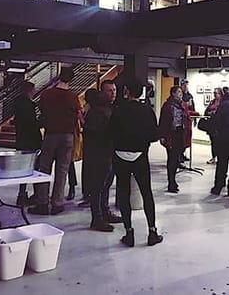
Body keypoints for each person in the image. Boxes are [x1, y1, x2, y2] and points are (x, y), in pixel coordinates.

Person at [110, 79, 162, 246]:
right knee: (146, 193)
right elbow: (154, 135)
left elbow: (110, 133)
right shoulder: (147, 111)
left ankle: (129, 233)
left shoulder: (118, 110)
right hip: (140, 155)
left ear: (126, 91)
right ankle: (152, 232)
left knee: (124, 193)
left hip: (120, 155)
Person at [33, 82, 80, 214]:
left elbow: (42, 111)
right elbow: (77, 113)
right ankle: (57, 203)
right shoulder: (72, 96)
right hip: (67, 135)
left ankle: (42, 202)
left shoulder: (47, 94)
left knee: (44, 169)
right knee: (62, 170)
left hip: (51, 134)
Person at [82, 83, 120, 231]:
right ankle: (96, 218)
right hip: (99, 153)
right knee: (98, 186)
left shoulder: (110, 108)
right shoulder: (96, 111)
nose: (113, 93)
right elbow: (93, 132)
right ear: (102, 92)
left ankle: (105, 212)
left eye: (114, 90)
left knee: (106, 184)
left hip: (110, 151)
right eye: (109, 91)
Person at [158, 84, 191, 193]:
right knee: (171, 159)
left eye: (181, 92)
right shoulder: (168, 106)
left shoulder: (183, 105)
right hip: (171, 135)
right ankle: (171, 182)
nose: (180, 94)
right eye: (178, 92)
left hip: (180, 134)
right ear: (173, 93)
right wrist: (162, 135)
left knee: (176, 159)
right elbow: (163, 121)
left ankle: (173, 181)